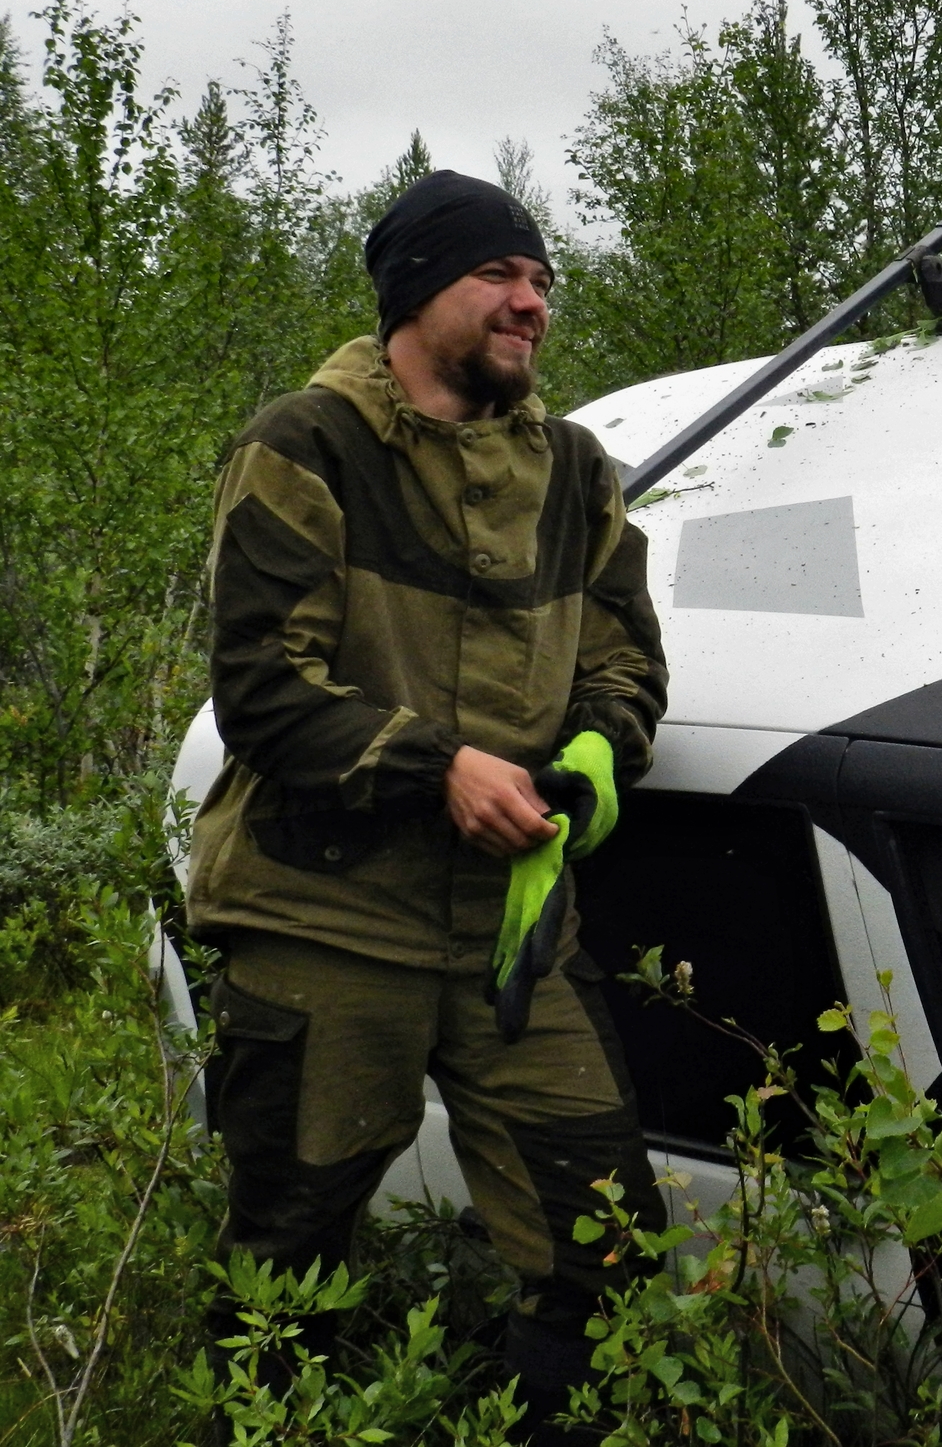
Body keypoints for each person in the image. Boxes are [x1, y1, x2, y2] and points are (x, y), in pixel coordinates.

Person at [187, 170, 669, 1443]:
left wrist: (598, 753)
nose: (531, 304)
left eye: (542, 283)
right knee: (289, 1257)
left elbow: (624, 656)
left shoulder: (572, 469)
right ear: (416, 295)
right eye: (501, 278)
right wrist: (438, 767)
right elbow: (262, 691)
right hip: (324, 922)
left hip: (514, 937)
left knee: (604, 1249)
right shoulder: (307, 445)